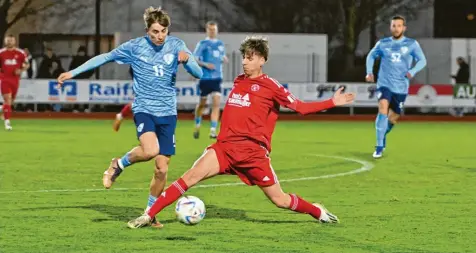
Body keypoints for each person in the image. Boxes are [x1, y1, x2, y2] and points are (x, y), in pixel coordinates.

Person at [127, 36, 355, 229]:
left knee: (280, 200)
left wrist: (332, 102)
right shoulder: (239, 81)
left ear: (263, 60)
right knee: (188, 178)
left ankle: (316, 211)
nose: (245, 61)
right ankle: (149, 214)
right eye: (244, 57)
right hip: (224, 148)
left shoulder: (272, 87)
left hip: (253, 154)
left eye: (250, 57)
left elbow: (302, 108)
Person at [56, 7, 202, 227]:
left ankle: (150, 212)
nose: (159, 36)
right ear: (147, 30)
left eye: (163, 31)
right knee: (151, 150)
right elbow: (104, 57)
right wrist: (73, 73)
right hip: (144, 108)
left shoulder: (177, 45)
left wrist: (187, 61)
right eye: (155, 32)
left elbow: (199, 73)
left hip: (168, 113)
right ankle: (118, 164)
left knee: (162, 168)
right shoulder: (135, 47)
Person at [366, 15, 427, 159]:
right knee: (382, 107)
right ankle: (379, 146)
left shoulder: (412, 44)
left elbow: (422, 60)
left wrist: (412, 71)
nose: (396, 28)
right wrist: (369, 72)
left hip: (401, 87)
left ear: (404, 28)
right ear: (390, 27)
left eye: (399, 26)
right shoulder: (383, 43)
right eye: (394, 25)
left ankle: (383, 134)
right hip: (384, 84)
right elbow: (371, 56)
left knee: (393, 118)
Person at [193, 21, 228, 139]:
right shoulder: (202, 43)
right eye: (210, 29)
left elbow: (221, 56)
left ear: (217, 30)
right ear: (207, 31)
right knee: (202, 104)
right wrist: (205, 64)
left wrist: (224, 58)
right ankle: (197, 123)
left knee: (216, 103)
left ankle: (213, 130)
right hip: (205, 78)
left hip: (217, 77)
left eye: (214, 29)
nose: (213, 31)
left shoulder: (220, 44)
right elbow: (195, 59)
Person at [0, 35, 29, 130]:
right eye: (8, 40)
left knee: (10, 102)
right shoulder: (1, 53)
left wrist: (21, 70)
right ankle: (7, 123)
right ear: (5, 41)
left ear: (14, 41)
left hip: (15, 80)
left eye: (11, 40)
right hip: (5, 79)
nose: (9, 42)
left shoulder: (20, 53)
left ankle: (2, 108)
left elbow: (27, 64)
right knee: (7, 99)